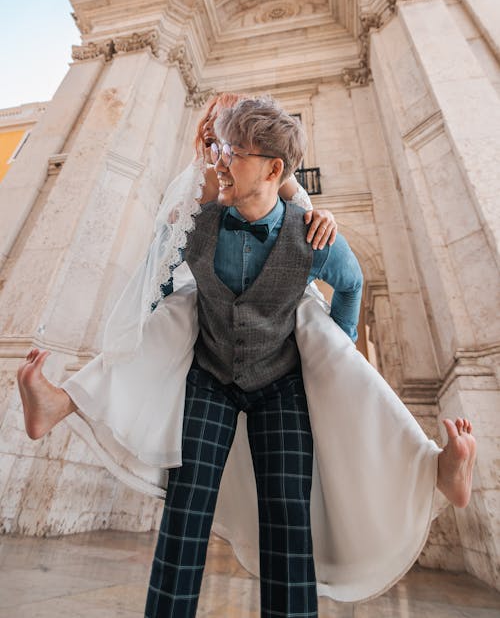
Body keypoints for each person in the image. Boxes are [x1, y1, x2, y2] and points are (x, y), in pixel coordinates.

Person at [17, 97, 476, 614]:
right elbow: (154, 287)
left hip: (280, 384)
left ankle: (431, 469)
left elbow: (351, 285)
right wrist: (189, 197)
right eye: (220, 150)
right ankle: (70, 400)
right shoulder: (201, 220)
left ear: (274, 170)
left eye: (232, 153)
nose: (221, 162)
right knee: (185, 509)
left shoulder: (313, 235)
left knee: (287, 518)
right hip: (209, 375)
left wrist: (338, 353)